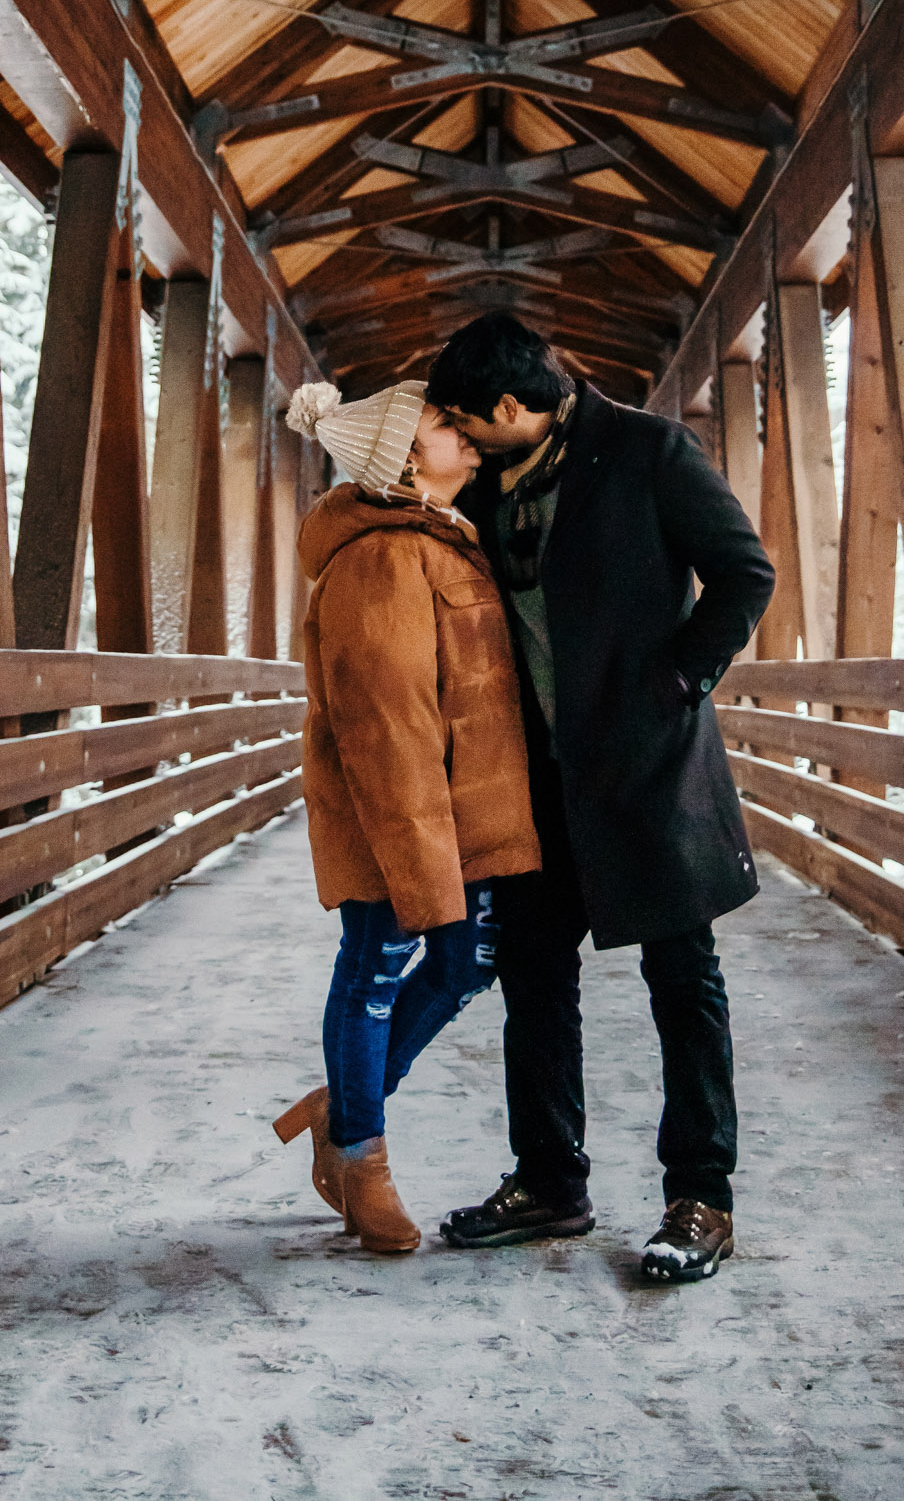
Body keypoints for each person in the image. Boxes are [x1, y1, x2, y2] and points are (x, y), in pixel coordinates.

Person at [423, 313, 775, 1284]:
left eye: (465, 417)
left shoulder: (650, 451)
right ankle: (549, 1180)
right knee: (533, 978)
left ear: (510, 406)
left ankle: (700, 1196)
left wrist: (673, 685)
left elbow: (745, 575)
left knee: (681, 977)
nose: (456, 434)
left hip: (646, 772)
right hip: (537, 779)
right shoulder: (488, 480)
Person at [272, 377, 541, 1256]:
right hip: (400, 820)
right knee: (374, 972)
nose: (459, 430)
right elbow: (390, 724)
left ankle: (344, 1109)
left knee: (465, 964)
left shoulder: (445, 542)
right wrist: (417, 855)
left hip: (456, 819)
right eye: (437, 423)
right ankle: (360, 1156)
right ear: (399, 458)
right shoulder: (383, 557)